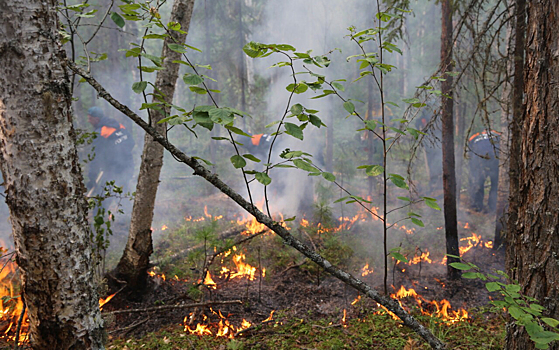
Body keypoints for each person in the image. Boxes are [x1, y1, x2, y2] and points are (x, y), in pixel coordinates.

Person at [86, 106, 135, 196]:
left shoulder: (100, 133)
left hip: (114, 171)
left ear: (96, 119)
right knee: (122, 196)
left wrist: (92, 177)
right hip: (129, 166)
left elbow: (95, 157)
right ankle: (130, 209)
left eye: (90, 118)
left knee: (102, 201)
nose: (88, 121)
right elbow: (131, 143)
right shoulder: (119, 125)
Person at [468, 130, 500, 212]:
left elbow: (470, 153)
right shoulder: (498, 135)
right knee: (495, 184)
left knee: (478, 183)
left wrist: (472, 167)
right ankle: (492, 206)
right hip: (494, 162)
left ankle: (477, 206)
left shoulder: (475, 137)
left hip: (480, 162)